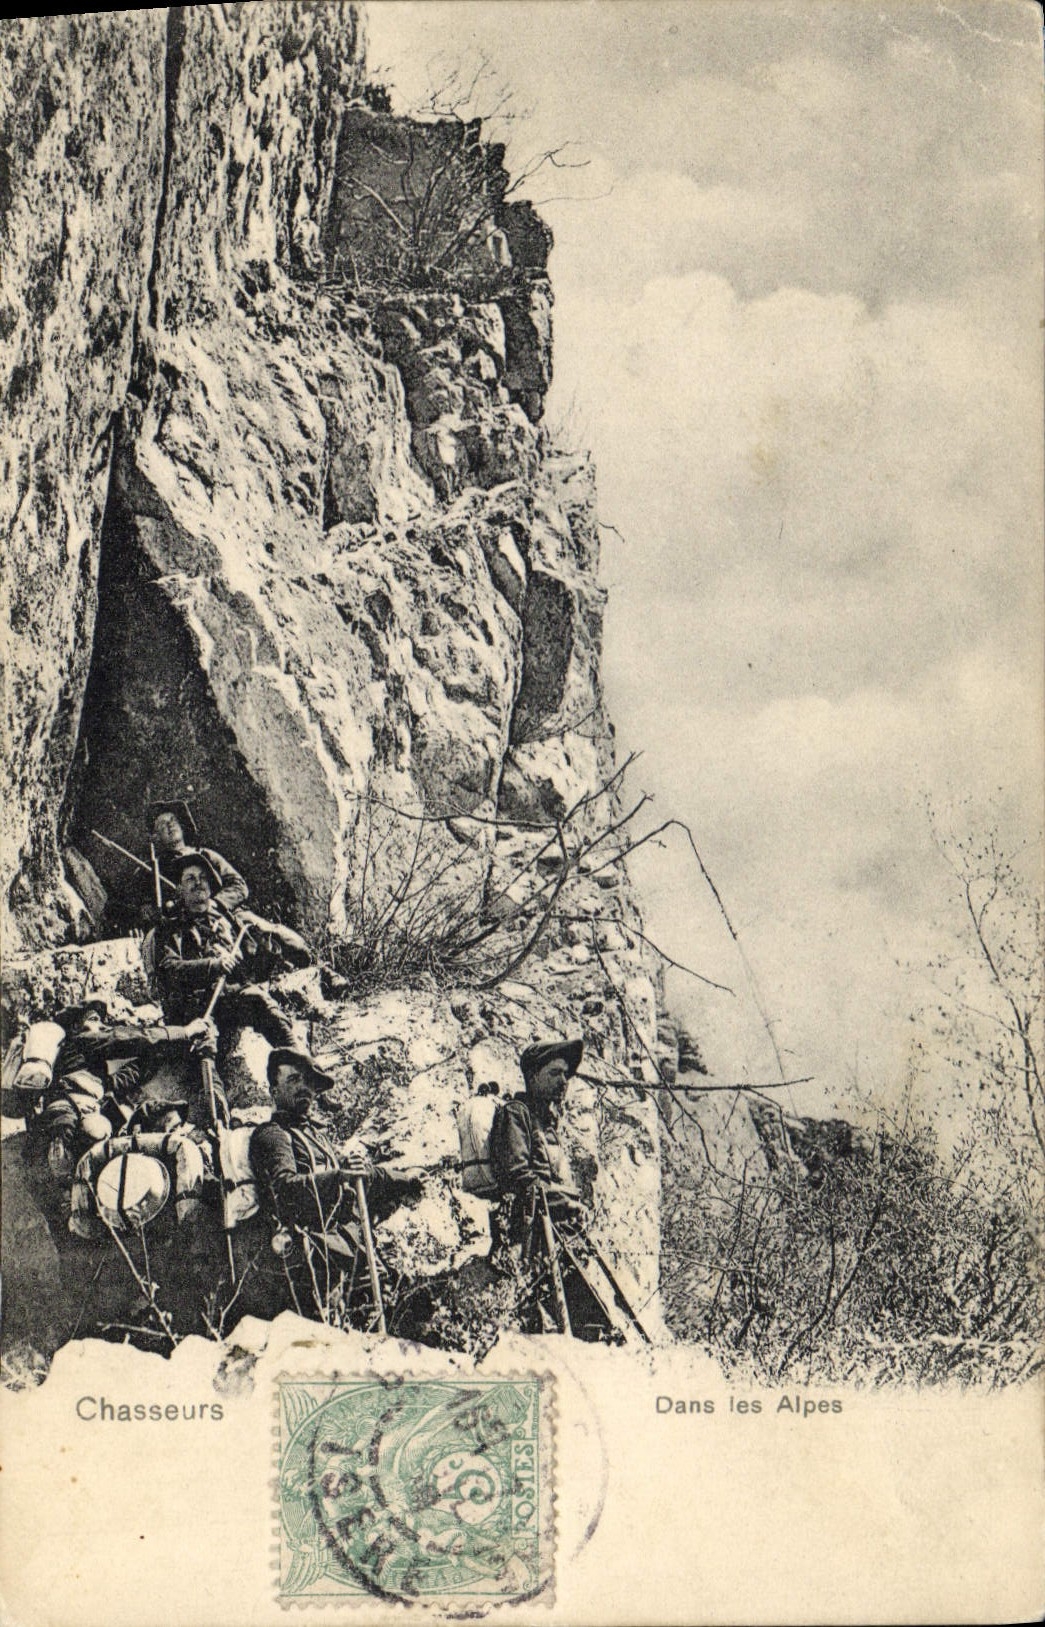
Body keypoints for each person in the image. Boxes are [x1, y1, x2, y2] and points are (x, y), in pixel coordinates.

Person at [246, 1048, 379, 1322]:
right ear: (273, 1091)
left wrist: (405, 1179)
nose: (304, 1088)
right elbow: (285, 1188)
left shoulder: (318, 1138)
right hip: (300, 1260)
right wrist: (338, 1177)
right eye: (294, 1080)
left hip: (336, 1249)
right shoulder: (272, 1135)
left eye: (308, 1082)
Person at [19, 997, 217, 1181]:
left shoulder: (89, 1073)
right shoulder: (79, 1041)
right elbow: (129, 1038)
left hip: (79, 1115)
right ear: (74, 1027)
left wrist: (175, 1049)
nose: (102, 1026)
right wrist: (184, 1032)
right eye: (94, 1019)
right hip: (67, 1117)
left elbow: (128, 1076)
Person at [154, 850, 305, 1073]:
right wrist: (214, 965)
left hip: (228, 1000)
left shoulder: (225, 920)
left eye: (203, 878)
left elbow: (247, 969)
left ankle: (302, 1069)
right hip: (194, 1008)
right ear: (179, 889)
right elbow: (170, 969)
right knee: (205, 1052)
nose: (198, 883)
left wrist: (268, 954)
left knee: (263, 1004)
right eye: (190, 879)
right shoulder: (170, 929)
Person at [490, 1037, 587, 1248]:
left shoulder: (546, 1124)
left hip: (556, 1226)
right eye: (554, 1073)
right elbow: (517, 1174)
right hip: (528, 1229)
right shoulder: (516, 1113)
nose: (563, 1081)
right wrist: (563, 1203)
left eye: (565, 1074)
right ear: (533, 1077)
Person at [149, 800, 248, 917]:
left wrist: (216, 903)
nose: (170, 825)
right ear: (156, 836)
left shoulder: (205, 854)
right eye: (162, 824)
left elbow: (238, 885)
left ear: (182, 827)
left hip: (218, 917)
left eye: (173, 820)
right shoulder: (154, 869)